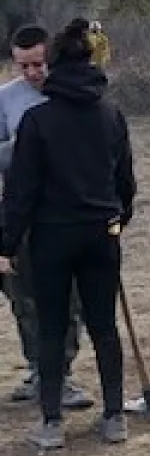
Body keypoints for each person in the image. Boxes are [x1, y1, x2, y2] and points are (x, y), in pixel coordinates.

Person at [0, 19, 136, 450]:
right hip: (102, 233)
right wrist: (118, 220)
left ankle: (53, 422)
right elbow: (126, 182)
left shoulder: (38, 121)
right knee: (103, 325)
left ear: (54, 67)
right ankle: (114, 417)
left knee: (53, 326)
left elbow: (21, 192)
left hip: (52, 237)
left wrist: (6, 243)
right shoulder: (111, 114)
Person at [0, 25, 92, 409]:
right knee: (24, 297)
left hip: (65, 212)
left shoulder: (71, 93)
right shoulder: (6, 99)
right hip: (21, 211)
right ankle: (38, 368)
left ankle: (63, 374)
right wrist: (24, 150)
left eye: (38, 64)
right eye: (23, 67)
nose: (33, 73)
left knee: (66, 299)